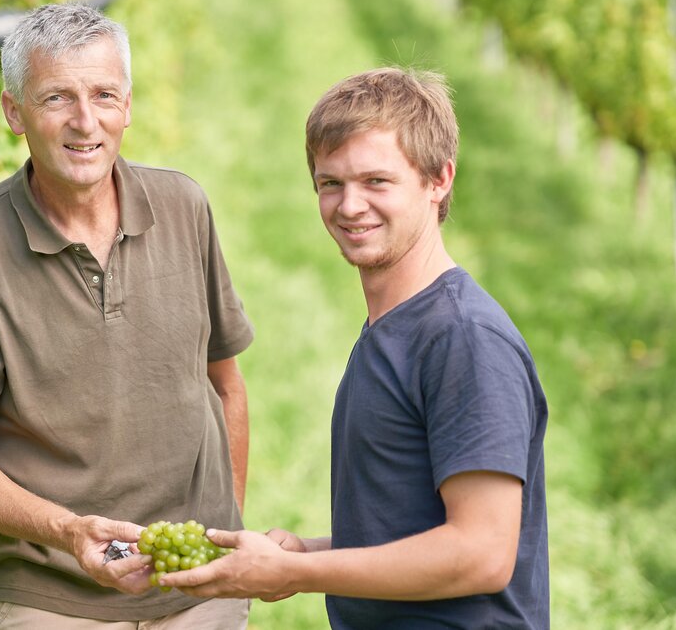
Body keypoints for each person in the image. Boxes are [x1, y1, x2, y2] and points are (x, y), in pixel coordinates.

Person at [159, 67, 550, 628]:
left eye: (376, 182)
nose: (349, 206)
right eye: (330, 183)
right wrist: (306, 553)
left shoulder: (462, 338)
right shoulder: (394, 326)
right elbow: (411, 532)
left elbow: (481, 555)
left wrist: (296, 575)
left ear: (438, 180)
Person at [0, 3, 255, 629]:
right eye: (56, 98)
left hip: (197, 585)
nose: (85, 121)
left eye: (104, 95)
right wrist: (68, 532)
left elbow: (225, 383)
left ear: (128, 105)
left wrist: (224, 535)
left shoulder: (184, 207)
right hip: (50, 591)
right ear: (14, 112)